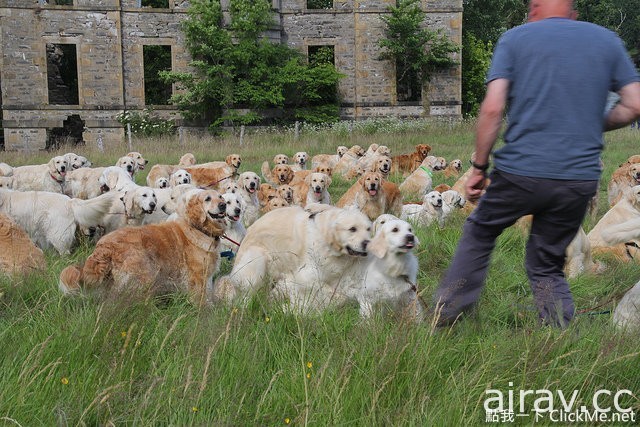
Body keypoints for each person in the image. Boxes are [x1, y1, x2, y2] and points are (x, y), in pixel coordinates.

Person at [433, 0, 640, 328]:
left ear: (536, 8)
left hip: (521, 172)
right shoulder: (606, 41)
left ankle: (445, 317)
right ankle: (558, 334)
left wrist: (478, 168)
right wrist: (588, 122)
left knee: (480, 230)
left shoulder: (516, 39)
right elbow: (634, 105)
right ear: (573, 12)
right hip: (578, 180)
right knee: (545, 263)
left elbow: (491, 109)